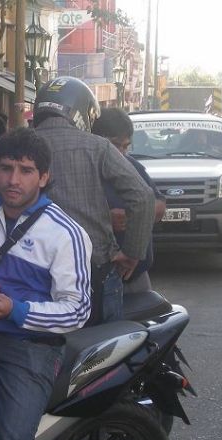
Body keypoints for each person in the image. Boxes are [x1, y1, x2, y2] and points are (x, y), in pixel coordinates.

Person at [0, 76, 154, 326]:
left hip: (31, 277)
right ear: (83, 113)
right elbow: (143, 196)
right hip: (98, 274)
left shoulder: (15, 149)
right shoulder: (98, 147)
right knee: (101, 356)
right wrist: (132, 253)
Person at [0, 127, 91, 440]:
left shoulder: (64, 233)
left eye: (26, 170)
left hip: (29, 350)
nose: (13, 180)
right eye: (6, 168)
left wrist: (16, 310)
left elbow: (78, 309)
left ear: (43, 177)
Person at [91, 107, 166, 301]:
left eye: (126, 146)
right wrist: (105, 218)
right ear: (96, 141)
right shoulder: (85, 171)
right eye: (116, 145)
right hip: (97, 283)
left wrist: (136, 214)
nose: (122, 153)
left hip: (137, 278)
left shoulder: (133, 167)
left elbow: (159, 206)